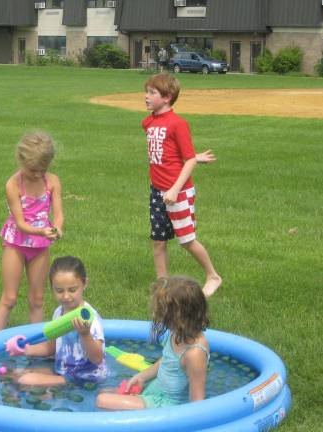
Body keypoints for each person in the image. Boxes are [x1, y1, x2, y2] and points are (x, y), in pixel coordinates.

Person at [143, 73, 222, 297]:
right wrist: (194, 156)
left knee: (186, 240)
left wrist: (176, 188)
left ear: (167, 97)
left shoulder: (178, 124)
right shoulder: (148, 122)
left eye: (152, 92)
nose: (146, 96)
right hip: (157, 191)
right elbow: (175, 154)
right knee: (158, 241)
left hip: (178, 192)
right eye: (146, 91)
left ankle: (213, 276)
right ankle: (162, 286)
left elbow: (186, 160)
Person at [96, 276, 210, 410]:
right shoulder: (178, 333)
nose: (160, 320)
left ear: (179, 317)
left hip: (165, 406)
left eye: (164, 316)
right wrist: (142, 376)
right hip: (154, 391)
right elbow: (167, 360)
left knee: (102, 400)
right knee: (104, 393)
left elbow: (197, 401)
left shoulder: (194, 353)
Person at [0, 131, 64, 332]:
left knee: (37, 299)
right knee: (10, 298)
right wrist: (42, 231)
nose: (38, 175)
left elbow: (58, 214)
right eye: (33, 170)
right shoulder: (13, 185)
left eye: (43, 169)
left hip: (40, 247)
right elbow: (21, 223)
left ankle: (38, 346)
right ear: (21, 162)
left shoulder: (52, 182)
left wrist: (57, 228)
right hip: (16, 243)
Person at [11, 256, 108, 386]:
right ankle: (49, 392)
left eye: (72, 290)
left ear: (85, 284)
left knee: (26, 381)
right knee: (17, 373)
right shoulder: (59, 312)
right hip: (63, 371)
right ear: (52, 288)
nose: (66, 296)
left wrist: (85, 334)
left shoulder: (89, 317)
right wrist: (26, 350)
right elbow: (50, 347)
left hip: (86, 377)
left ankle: (49, 395)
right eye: (59, 291)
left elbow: (97, 358)